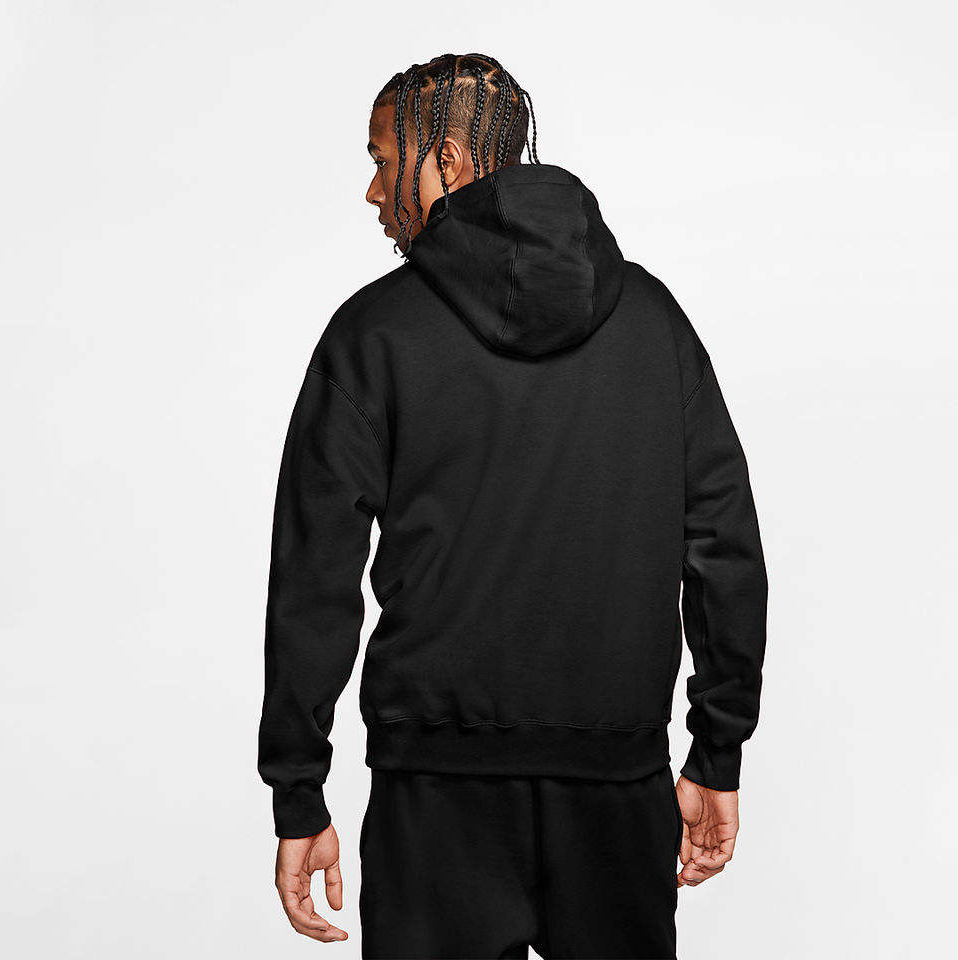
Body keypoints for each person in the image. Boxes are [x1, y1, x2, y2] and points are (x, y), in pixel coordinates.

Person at [258, 52, 767, 959]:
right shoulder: (653, 323)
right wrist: (715, 752)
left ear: (448, 159)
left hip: (434, 799)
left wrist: (299, 792)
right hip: (615, 785)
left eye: (384, 160)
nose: (372, 191)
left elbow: (314, 578)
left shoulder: (374, 332)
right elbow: (725, 547)